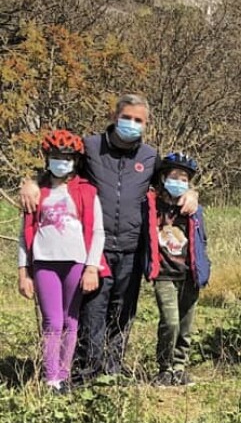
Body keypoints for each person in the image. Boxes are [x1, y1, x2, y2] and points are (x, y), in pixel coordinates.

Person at [19, 94, 200, 384]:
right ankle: (86, 370)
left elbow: (168, 187)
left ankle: (112, 371)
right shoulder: (91, 147)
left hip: (133, 246)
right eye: (127, 117)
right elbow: (61, 164)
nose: (132, 124)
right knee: (93, 310)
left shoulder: (149, 156)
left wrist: (192, 193)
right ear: (115, 117)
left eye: (138, 120)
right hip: (94, 247)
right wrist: (30, 181)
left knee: (123, 311)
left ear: (146, 124)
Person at [16, 130, 105, 394]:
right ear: (47, 158)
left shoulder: (87, 191)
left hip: (76, 262)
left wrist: (92, 267)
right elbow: (24, 235)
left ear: (75, 161)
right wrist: (24, 272)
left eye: (67, 157)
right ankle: (51, 376)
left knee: (70, 320)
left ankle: (65, 375)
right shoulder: (37, 193)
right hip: (45, 262)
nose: (61, 162)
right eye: (56, 156)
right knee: (52, 322)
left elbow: (98, 231)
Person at [144, 152, 211, 387]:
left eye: (184, 179)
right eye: (173, 177)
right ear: (163, 178)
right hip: (163, 273)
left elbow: (202, 241)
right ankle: (164, 366)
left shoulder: (193, 210)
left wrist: (203, 269)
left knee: (185, 325)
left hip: (188, 274)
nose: (178, 182)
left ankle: (180, 366)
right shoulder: (152, 206)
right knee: (170, 321)